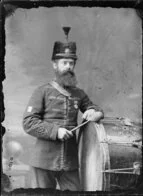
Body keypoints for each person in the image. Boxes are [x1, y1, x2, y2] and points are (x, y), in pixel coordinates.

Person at [22, 27, 104, 191]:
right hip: (43, 161)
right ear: (55, 65)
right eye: (64, 63)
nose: (68, 67)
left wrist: (95, 113)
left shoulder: (79, 94)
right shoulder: (42, 91)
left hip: (69, 161)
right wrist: (56, 131)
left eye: (71, 63)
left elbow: (94, 108)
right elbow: (28, 123)